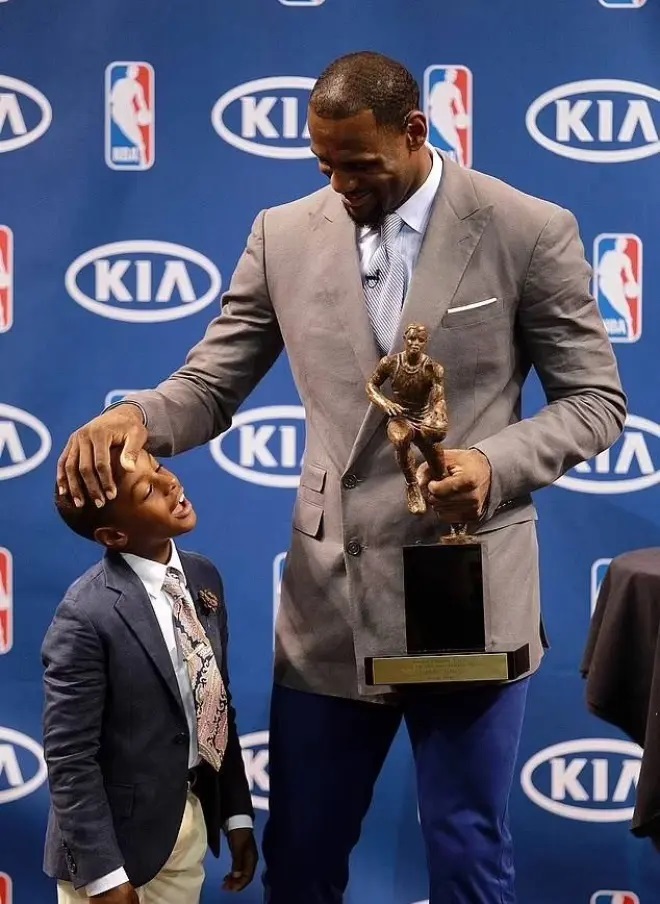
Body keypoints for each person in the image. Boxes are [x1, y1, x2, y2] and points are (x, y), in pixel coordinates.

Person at [57, 51, 626, 904]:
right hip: (332, 604)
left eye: (359, 167)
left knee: (470, 855)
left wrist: (492, 464)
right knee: (304, 858)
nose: (341, 187)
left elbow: (595, 401)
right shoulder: (283, 234)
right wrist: (135, 416)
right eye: (324, 167)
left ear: (415, 132)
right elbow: (212, 384)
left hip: (466, 589)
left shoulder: (526, 227)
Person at [43, 449, 257, 904]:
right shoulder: (85, 614)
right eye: (147, 490)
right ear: (115, 534)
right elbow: (70, 756)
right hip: (114, 851)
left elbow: (215, 700)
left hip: (186, 830)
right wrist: (103, 877)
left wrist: (236, 814)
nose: (170, 484)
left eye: (158, 468)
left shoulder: (203, 577)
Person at [366, 321, 448, 514]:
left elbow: (439, 396)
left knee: (439, 470)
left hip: (424, 420)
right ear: (404, 339)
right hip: (400, 418)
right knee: (400, 439)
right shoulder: (390, 363)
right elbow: (371, 386)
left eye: (420, 340)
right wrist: (385, 404)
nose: (415, 343)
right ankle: (411, 483)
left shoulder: (433, 369)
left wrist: (439, 409)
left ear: (425, 342)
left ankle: (451, 512)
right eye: (411, 338)